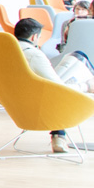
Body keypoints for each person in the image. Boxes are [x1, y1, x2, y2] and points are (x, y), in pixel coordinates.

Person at [14, 17, 70, 153]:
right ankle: (59, 136)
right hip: (34, 102)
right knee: (61, 90)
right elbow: (57, 85)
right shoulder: (33, 54)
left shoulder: (5, 50)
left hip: (11, 98)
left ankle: (59, 136)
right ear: (34, 37)